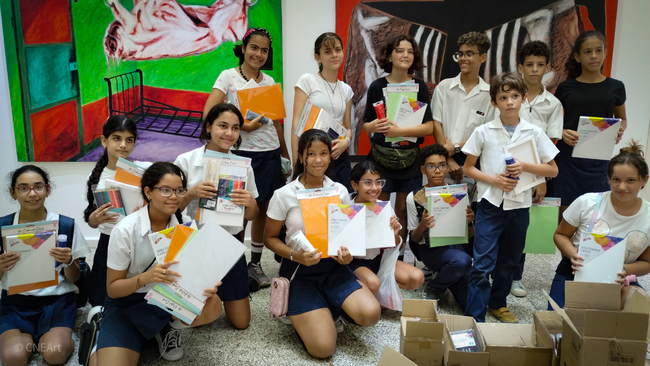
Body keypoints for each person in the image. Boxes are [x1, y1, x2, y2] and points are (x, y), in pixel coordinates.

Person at [264, 129, 380, 359]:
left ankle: (328, 306)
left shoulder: (339, 191)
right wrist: (295, 255)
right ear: (301, 157)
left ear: (330, 156)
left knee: (371, 314)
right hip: (299, 271)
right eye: (312, 154)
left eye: (324, 153)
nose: (318, 160)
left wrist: (348, 256)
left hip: (334, 268)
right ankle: (308, 314)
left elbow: (346, 236)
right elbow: (269, 239)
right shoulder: (284, 194)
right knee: (323, 349)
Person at [91, 162, 221, 365]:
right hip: (128, 302)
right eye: (166, 190)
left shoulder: (185, 226)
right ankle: (102, 329)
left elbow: (193, 273)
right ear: (148, 192)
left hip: (167, 300)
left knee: (214, 306)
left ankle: (165, 328)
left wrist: (206, 283)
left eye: (179, 190)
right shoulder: (125, 230)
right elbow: (113, 289)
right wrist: (145, 278)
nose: (174, 197)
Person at [462, 72, 559, 323]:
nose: (510, 102)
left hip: (520, 206)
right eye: (503, 97)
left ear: (523, 98)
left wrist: (525, 166)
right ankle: (474, 314)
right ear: (494, 102)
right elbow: (468, 168)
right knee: (483, 262)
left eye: (515, 96)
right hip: (490, 205)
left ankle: (498, 303)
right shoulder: (483, 131)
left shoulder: (534, 132)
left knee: (509, 261)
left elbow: (553, 169)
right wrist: (494, 179)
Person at [202, 27, 290, 287]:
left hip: (270, 153)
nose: (259, 54)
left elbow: (276, 124)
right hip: (239, 154)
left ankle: (255, 263)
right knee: (235, 211)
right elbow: (210, 113)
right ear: (243, 48)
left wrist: (285, 155)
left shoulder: (271, 82)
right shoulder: (228, 77)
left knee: (263, 209)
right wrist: (241, 125)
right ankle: (232, 263)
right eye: (254, 48)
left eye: (264, 50)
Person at [174, 103, 258, 330]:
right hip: (194, 244)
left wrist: (250, 202)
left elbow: (253, 213)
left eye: (235, 128)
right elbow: (169, 211)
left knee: (241, 323)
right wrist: (191, 193)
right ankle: (205, 296)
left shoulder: (243, 167)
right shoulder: (185, 162)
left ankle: (217, 295)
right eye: (223, 126)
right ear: (209, 126)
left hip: (228, 245)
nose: (229, 133)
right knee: (190, 318)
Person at [0, 165, 90, 366]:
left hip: (56, 301)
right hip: (15, 304)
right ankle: (32, 338)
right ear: (13, 192)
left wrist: (69, 261)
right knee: (14, 357)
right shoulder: (3, 228)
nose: (32, 194)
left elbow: (75, 278)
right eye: (24, 188)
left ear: (47, 189)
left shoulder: (65, 225)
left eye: (38, 187)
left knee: (54, 353)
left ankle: (59, 336)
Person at [495, 40, 563, 298]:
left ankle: (515, 277)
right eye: (530, 65)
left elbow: (552, 141)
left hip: (535, 170)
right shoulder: (509, 95)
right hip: (504, 169)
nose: (535, 70)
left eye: (540, 65)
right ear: (521, 67)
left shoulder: (552, 103)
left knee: (520, 225)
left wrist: (540, 178)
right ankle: (495, 273)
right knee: (499, 220)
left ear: (547, 68)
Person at [549, 141, 650, 310]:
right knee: (558, 327)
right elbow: (560, 234)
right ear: (608, 178)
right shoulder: (587, 202)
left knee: (638, 309)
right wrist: (573, 255)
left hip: (620, 278)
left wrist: (624, 269)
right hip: (575, 273)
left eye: (631, 180)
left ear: (644, 180)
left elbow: (647, 262)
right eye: (616, 179)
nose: (622, 187)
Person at [362, 34, 434, 245]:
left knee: (403, 208)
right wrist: (373, 126)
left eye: (410, 51)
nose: (405, 55)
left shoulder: (419, 87)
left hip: (409, 158)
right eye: (400, 50)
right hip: (381, 157)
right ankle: (379, 250)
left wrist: (399, 130)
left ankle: (398, 254)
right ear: (390, 56)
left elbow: (428, 126)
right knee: (379, 206)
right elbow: (366, 123)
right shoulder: (377, 86)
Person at [552, 30, 627, 214]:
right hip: (567, 161)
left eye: (599, 50)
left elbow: (622, 119)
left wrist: (619, 130)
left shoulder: (616, 87)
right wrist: (562, 132)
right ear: (577, 56)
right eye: (587, 52)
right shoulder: (565, 87)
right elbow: (551, 121)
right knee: (565, 216)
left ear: (605, 53)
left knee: (595, 216)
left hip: (598, 161)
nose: (594, 56)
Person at [83, 115, 150, 314]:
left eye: (129, 140)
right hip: (108, 240)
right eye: (116, 138)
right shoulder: (96, 176)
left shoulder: (144, 171)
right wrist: (93, 221)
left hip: (138, 240)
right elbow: (91, 215)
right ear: (104, 141)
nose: (123, 145)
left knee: (136, 292)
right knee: (102, 297)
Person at [406, 144, 474, 310]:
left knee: (472, 302)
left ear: (447, 167)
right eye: (431, 166)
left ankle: (448, 275)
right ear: (423, 170)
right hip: (430, 250)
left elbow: (471, 235)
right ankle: (436, 287)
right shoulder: (414, 197)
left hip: (456, 247)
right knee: (462, 261)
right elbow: (414, 239)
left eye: (442, 165)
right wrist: (423, 224)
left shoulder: (458, 194)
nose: (437, 170)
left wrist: (470, 221)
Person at [348, 161, 424, 295]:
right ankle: (369, 294)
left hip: (380, 260)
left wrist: (394, 234)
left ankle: (377, 295)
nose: (374, 188)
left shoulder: (383, 207)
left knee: (417, 278)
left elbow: (395, 245)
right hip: (354, 263)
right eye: (367, 182)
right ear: (355, 185)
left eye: (378, 182)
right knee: (372, 283)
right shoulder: (346, 208)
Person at [291, 32, 354, 192]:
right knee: (311, 203)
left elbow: (348, 127)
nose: (334, 55)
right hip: (313, 156)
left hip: (337, 155)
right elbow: (296, 123)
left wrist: (346, 142)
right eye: (328, 52)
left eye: (338, 50)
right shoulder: (307, 81)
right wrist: (297, 159)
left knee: (340, 206)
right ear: (318, 57)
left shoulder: (346, 89)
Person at [431, 31, 495, 182]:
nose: (463, 59)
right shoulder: (444, 87)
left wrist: (457, 148)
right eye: (460, 54)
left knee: (470, 206)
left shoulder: (490, 94)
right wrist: (448, 158)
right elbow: (435, 123)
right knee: (439, 205)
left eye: (469, 54)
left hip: (474, 164)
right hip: (442, 163)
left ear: (483, 57)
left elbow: (487, 134)